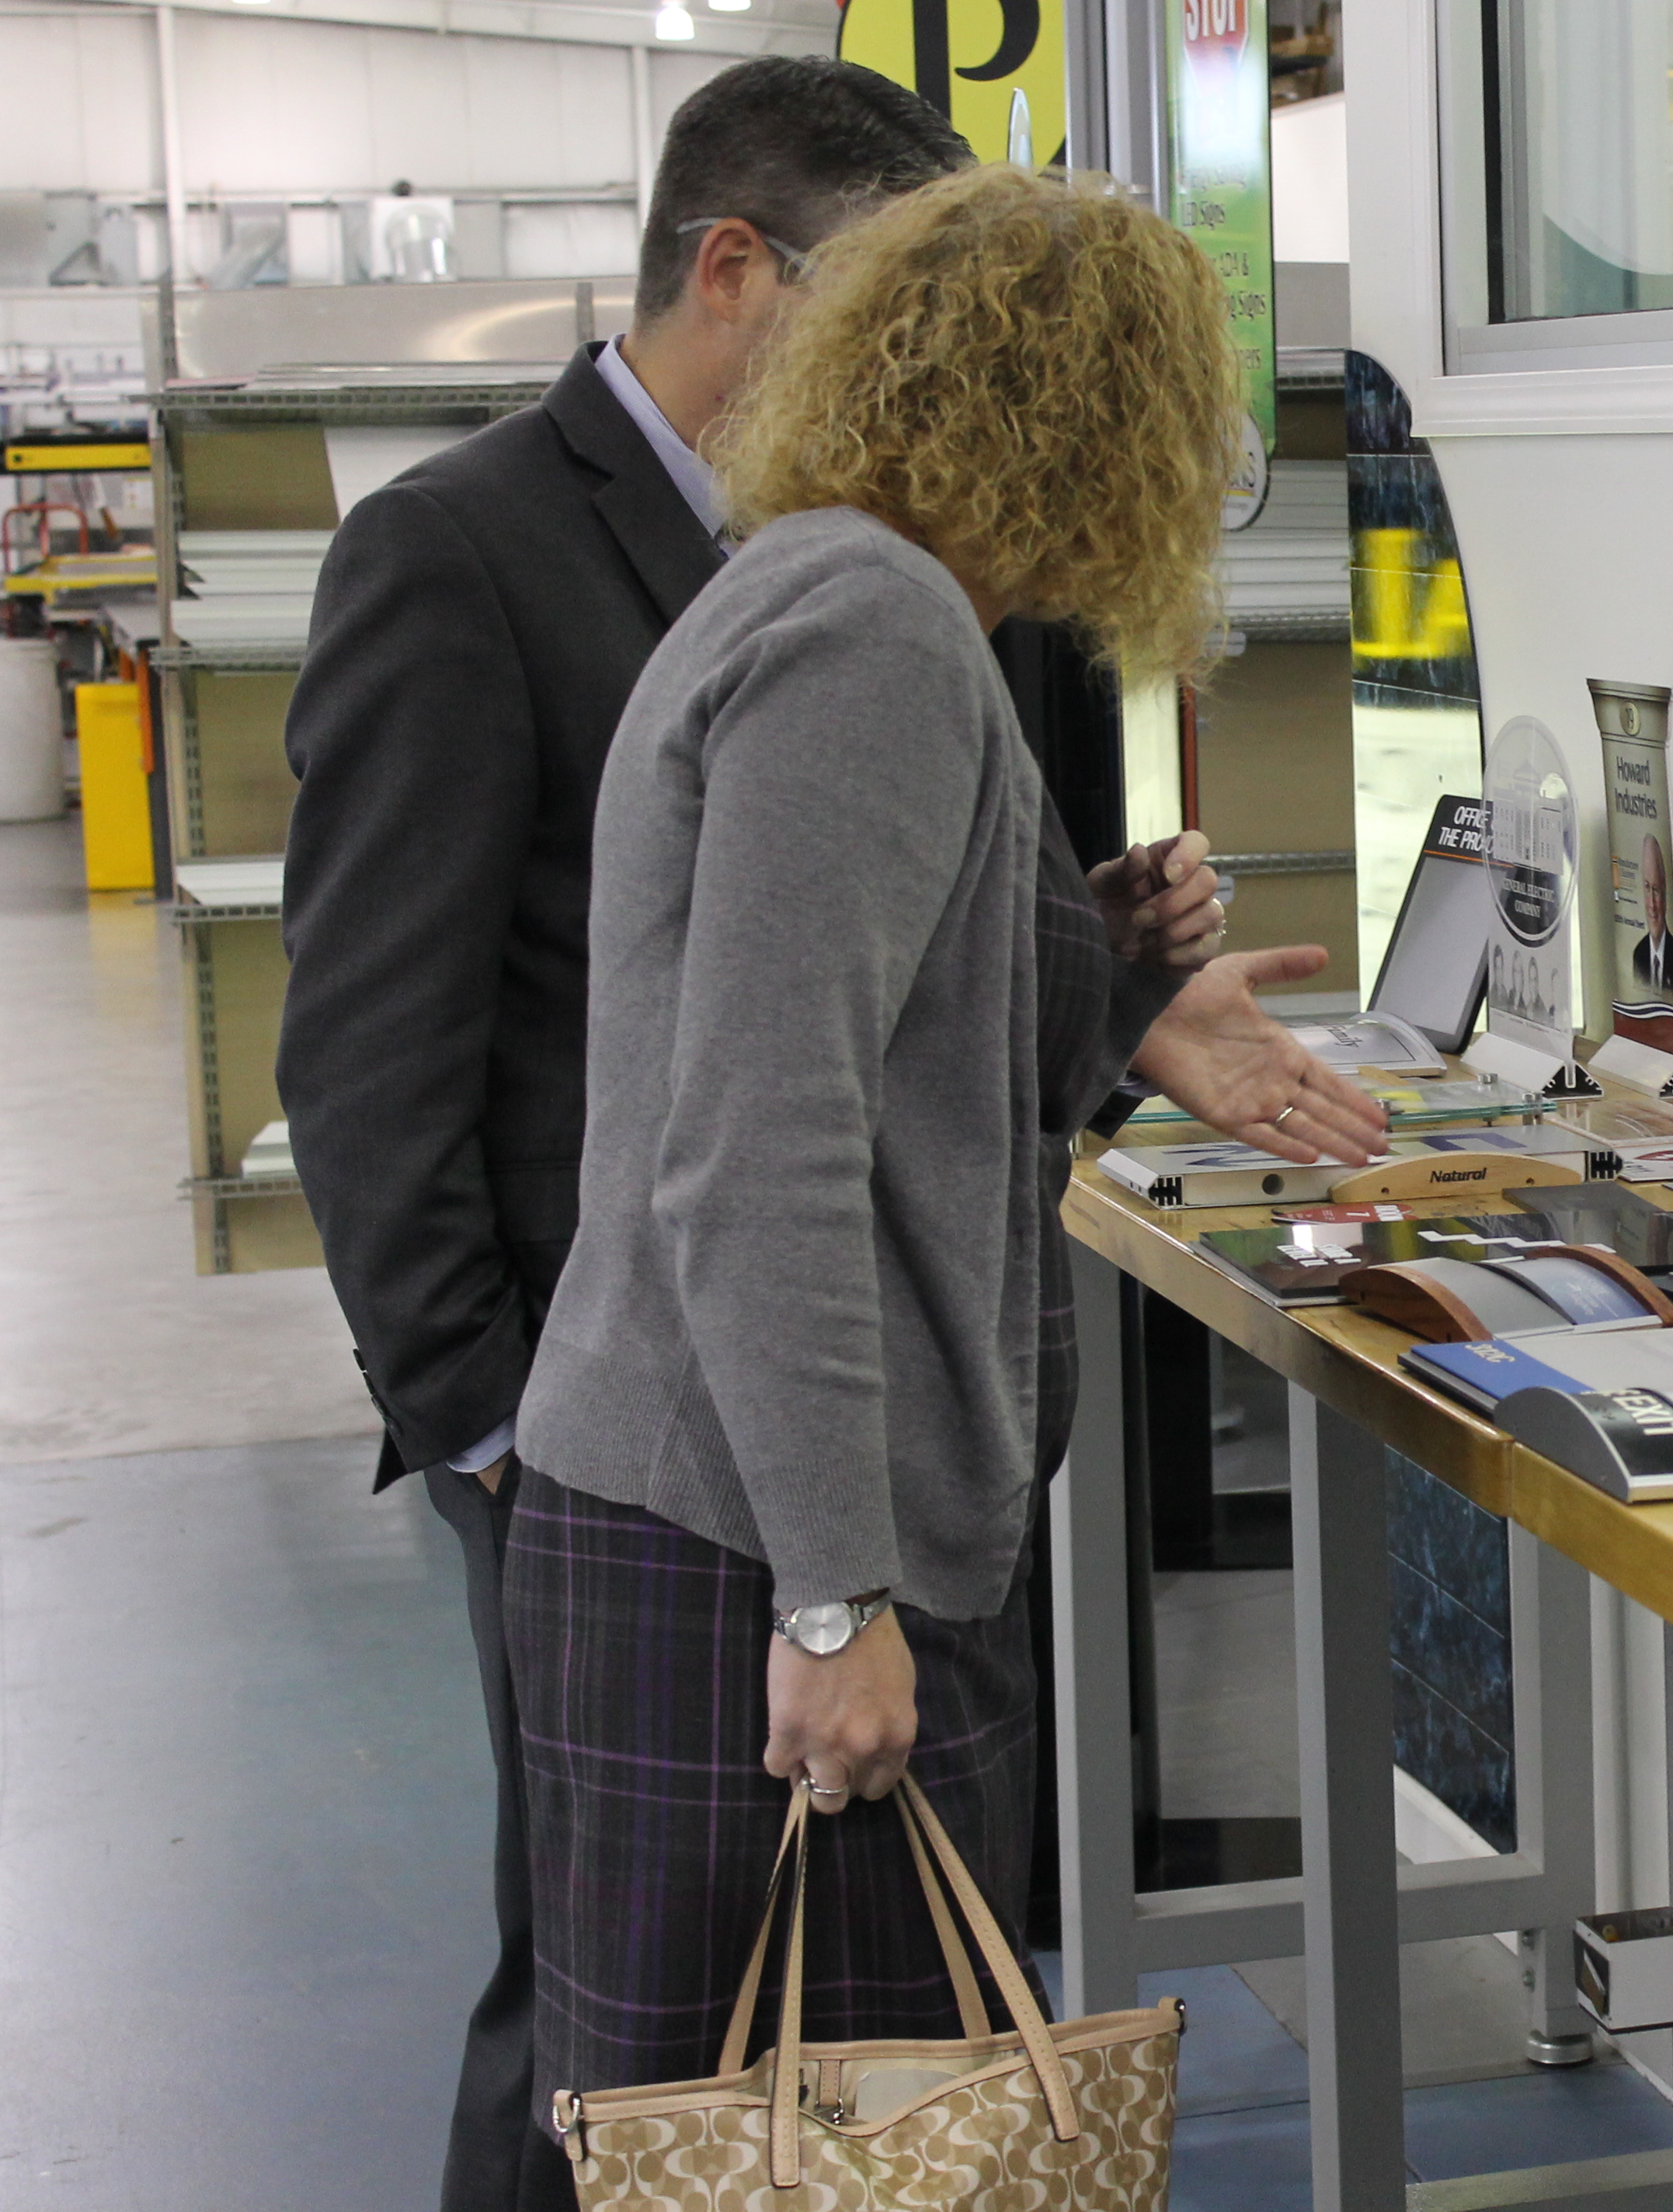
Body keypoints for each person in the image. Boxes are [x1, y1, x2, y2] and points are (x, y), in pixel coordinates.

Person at [504, 162, 1388, 2133]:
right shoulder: (875, 635)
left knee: (771, 2138)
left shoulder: (838, 591)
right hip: (752, 1543)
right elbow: (759, 1144)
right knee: (827, 2144)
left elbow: (879, 1063)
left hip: (735, 1517)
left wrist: (1097, 969)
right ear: (1098, 423)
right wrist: (833, 1597)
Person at [277, 58, 979, 2209]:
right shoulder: (460, 549)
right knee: (593, 2015)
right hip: (590, 1427)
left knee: (730, 2020)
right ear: (735, 267)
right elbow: (368, 1047)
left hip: (782, 1409)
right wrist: (491, 1426)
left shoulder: (845, 548)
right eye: (886, 296)